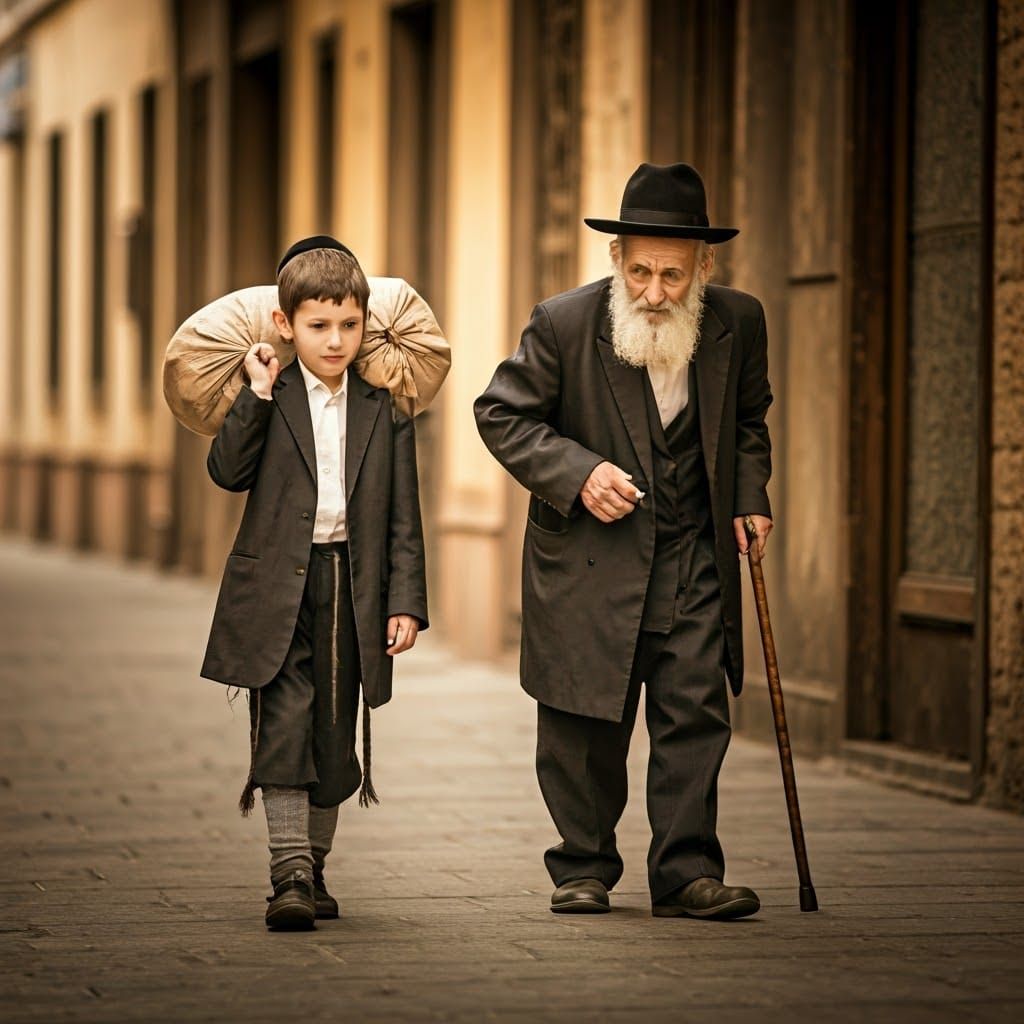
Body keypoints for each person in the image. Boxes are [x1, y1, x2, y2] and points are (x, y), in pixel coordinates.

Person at [474, 163, 772, 920]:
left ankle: (686, 872)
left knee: (695, 711)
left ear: (705, 266)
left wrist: (749, 498)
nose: (654, 291)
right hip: (588, 561)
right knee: (582, 722)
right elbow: (502, 415)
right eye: (639, 270)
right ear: (617, 261)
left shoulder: (738, 322)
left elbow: (747, 422)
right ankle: (582, 866)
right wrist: (576, 472)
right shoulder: (564, 323)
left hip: (695, 557)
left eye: (673, 274)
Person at [201, 235, 428, 930]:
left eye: (348, 326)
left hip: (349, 585)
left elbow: (402, 516)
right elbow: (226, 472)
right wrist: (257, 395)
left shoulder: (384, 407)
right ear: (285, 324)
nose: (334, 341)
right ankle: (289, 874)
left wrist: (407, 602)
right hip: (275, 588)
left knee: (334, 736)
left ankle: (316, 868)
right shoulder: (269, 394)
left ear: (366, 323)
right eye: (318, 326)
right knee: (284, 724)